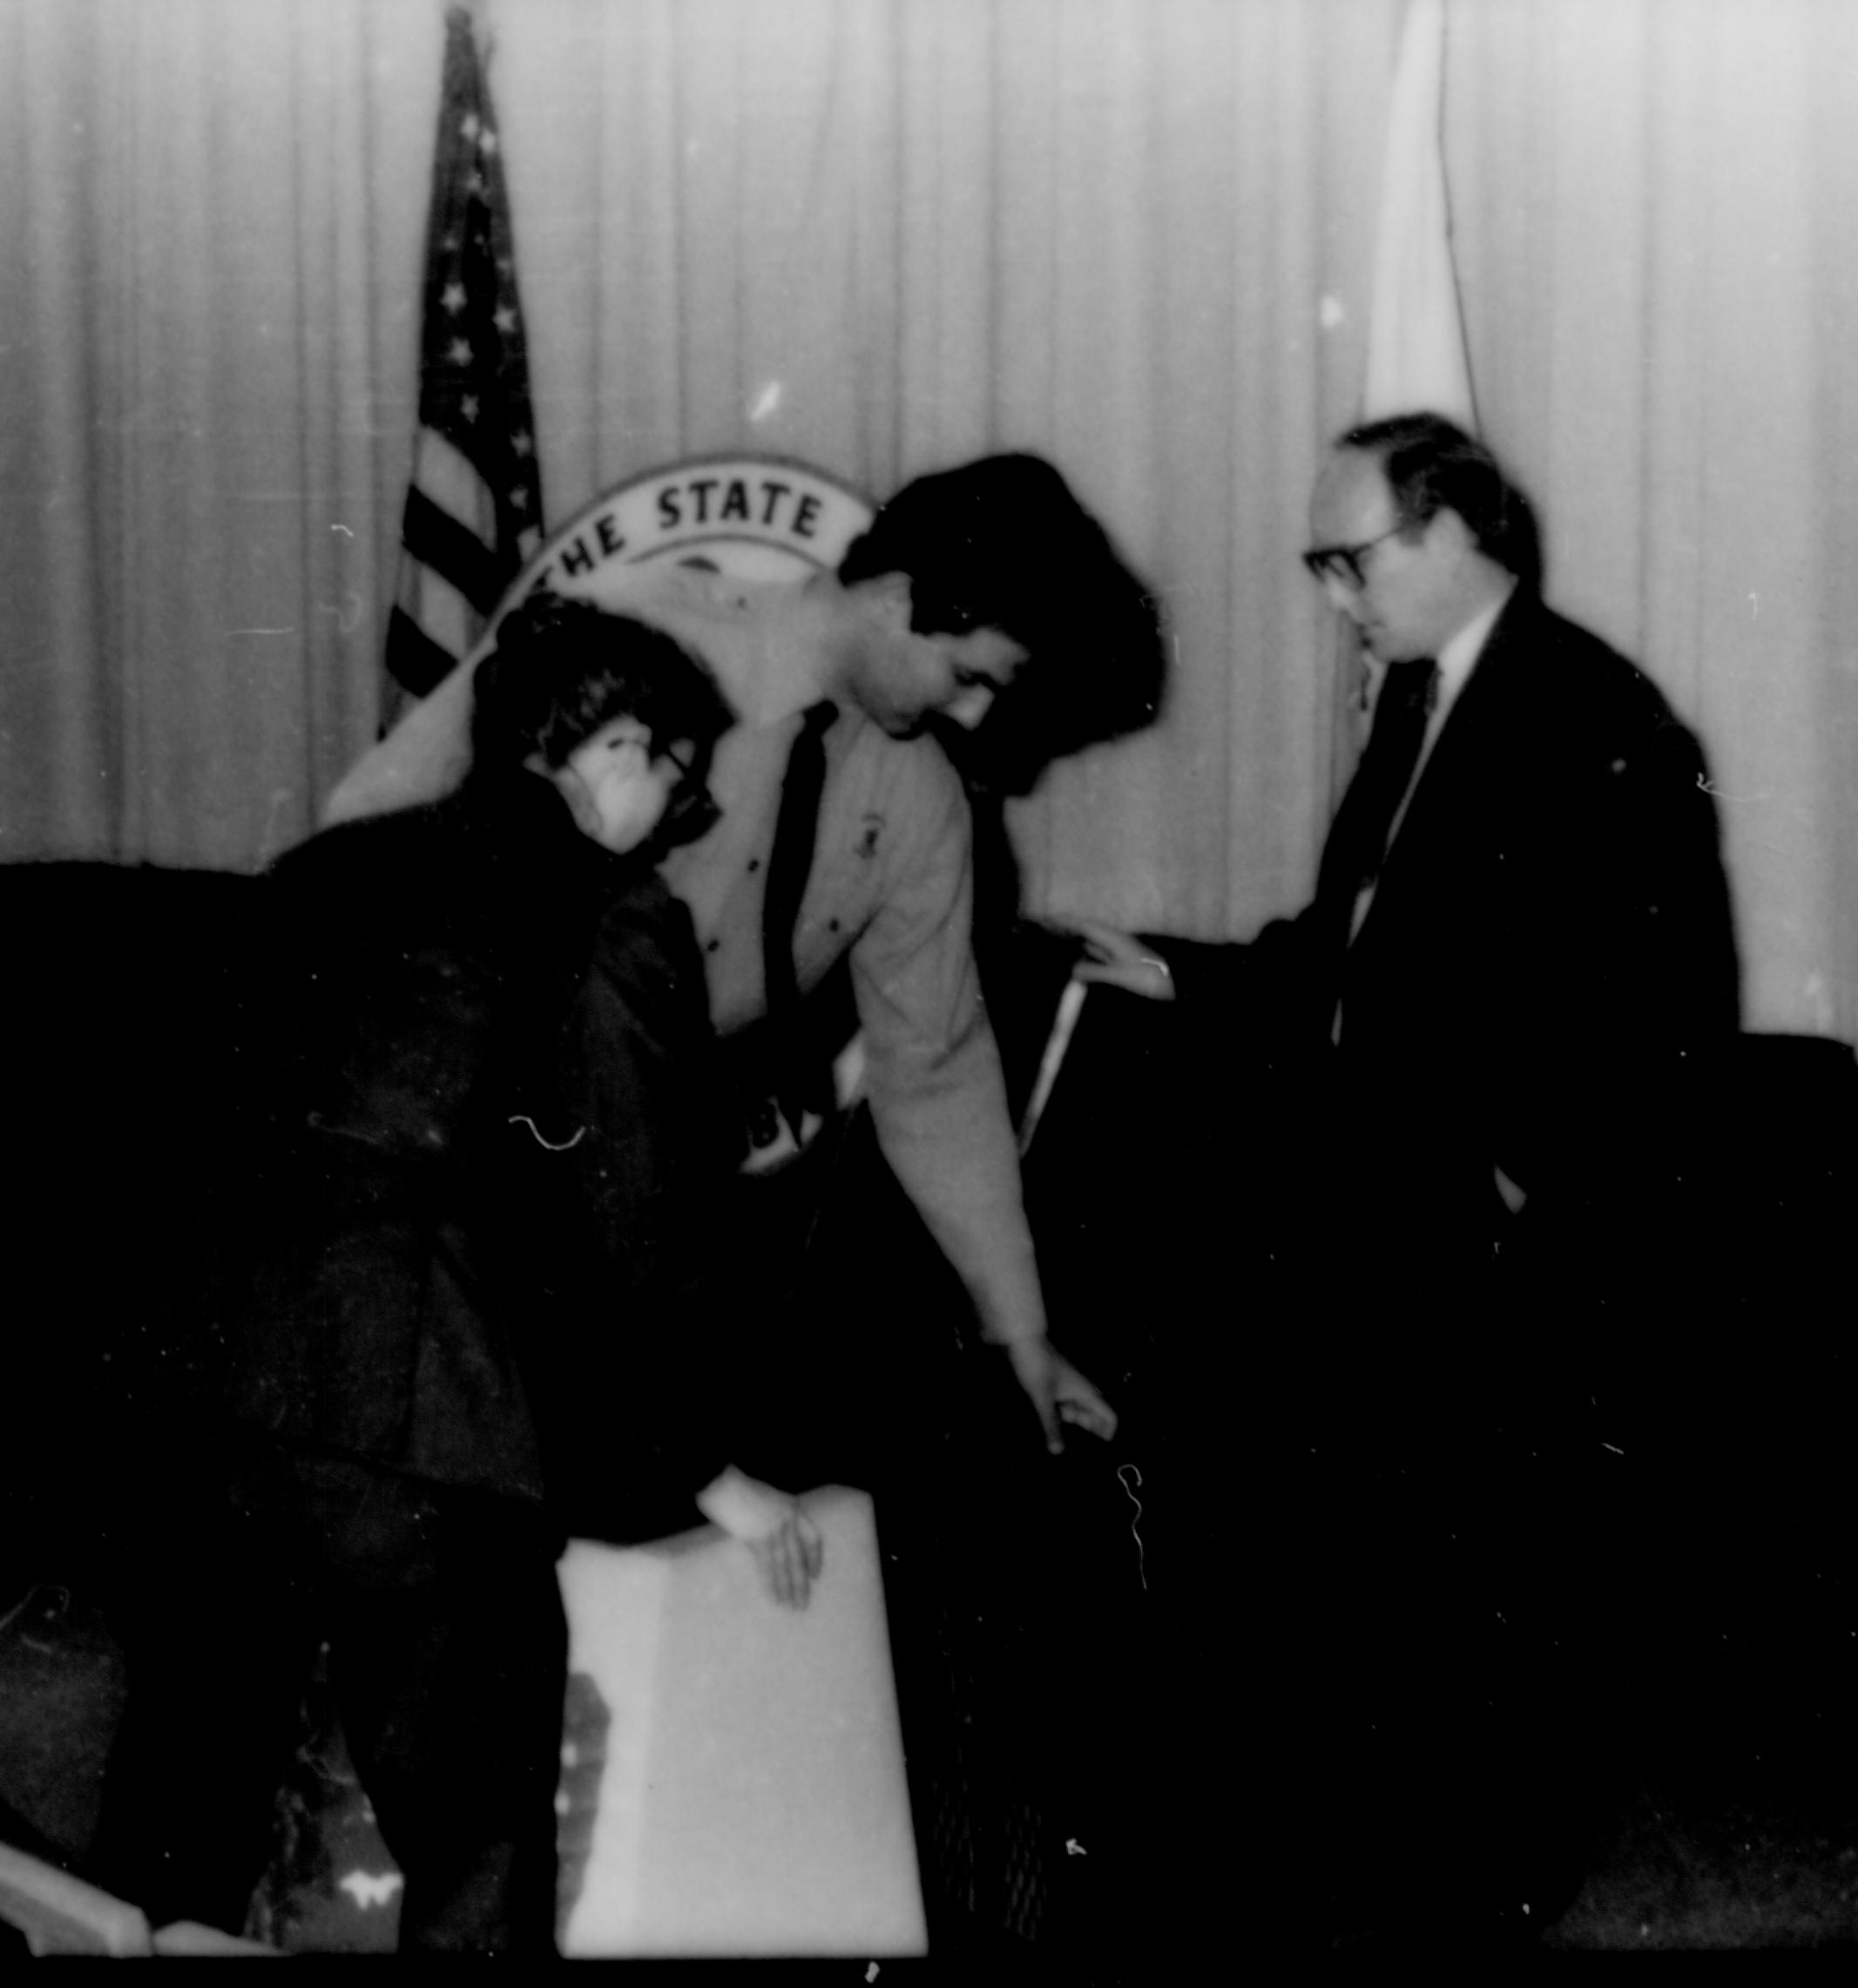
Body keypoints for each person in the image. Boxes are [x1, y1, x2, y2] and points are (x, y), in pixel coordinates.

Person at [1069, 412, 1741, 1948]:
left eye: (1350, 559)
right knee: (1383, 1627)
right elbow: (1353, 955)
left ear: (1452, 535)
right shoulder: (1419, 703)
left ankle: (1475, 1905)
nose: (1334, 597)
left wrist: (1520, 1194)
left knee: (1484, 1640)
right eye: (1320, 566)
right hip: (1375, 1227)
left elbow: (1661, 1028)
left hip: (1499, 1265)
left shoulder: (1599, 719)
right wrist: (1176, 973)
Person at [93, 597, 818, 1950]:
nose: (682, 812)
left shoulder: (321, 868)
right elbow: (636, 1246)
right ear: (607, 746)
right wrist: (699, 1467)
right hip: (422, 1443)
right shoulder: (614, 919)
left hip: (210, 1408)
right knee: (476, 1848)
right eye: (674, 772)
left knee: (176, 1835)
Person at [325, 452, 1165, 1457]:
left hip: (648, 1215)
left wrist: (1019, 1331)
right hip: (445, 1193)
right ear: (898, 599)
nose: (978, 715)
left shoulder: (918, 800)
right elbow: (366, 832)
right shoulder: (632, 631)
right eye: (969, 675)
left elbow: (933, 1073)